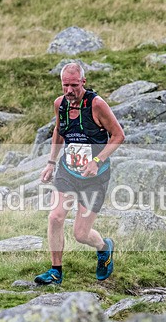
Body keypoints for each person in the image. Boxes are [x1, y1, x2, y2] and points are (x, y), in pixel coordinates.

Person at [34, 62, 125, 285]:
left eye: (74, 85)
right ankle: (56, 271)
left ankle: (105, 248)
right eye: (65, 85)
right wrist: (50, 162)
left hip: (94, 177)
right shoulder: (60, 104)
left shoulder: (97, 105)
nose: (69, 90)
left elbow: (118, 135)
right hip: (68, 171)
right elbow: (59, 131)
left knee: (81, 234)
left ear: (83, 82)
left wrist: (97, 160)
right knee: (55, 217)